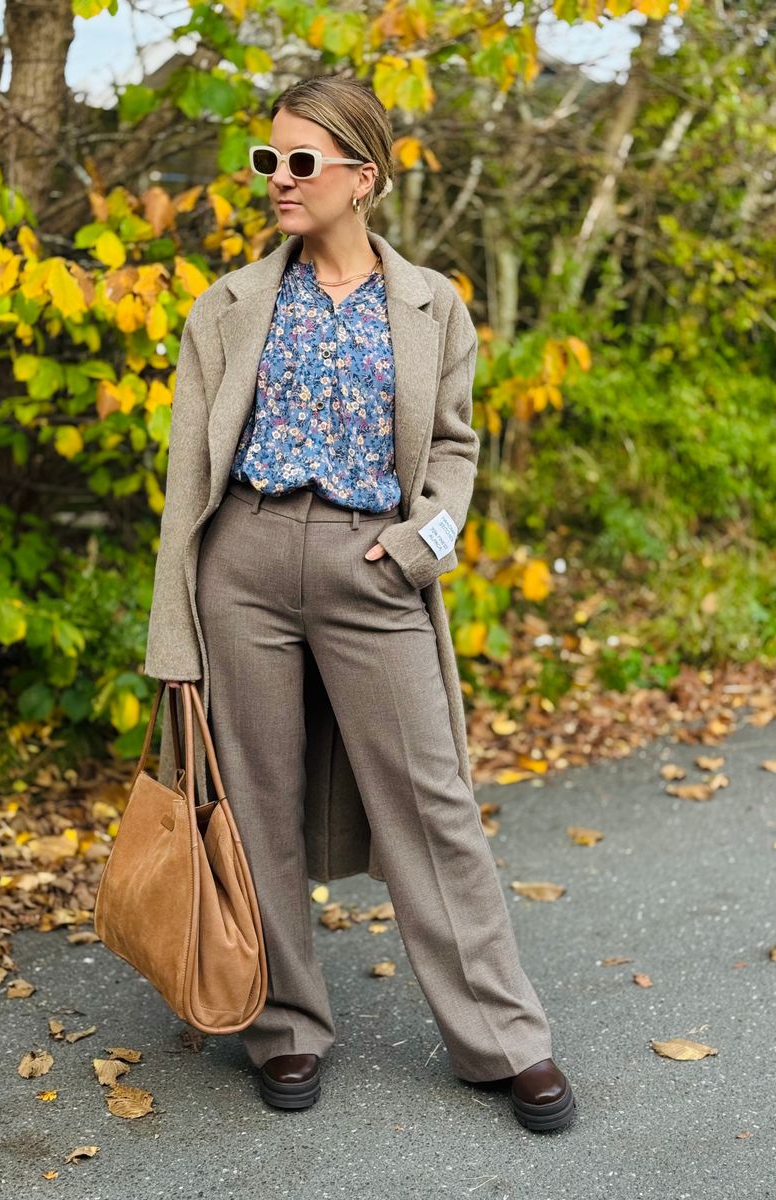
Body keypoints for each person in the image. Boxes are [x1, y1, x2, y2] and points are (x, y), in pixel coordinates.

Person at [145, 75, 576, 1132]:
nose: (278, 182)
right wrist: (175, 637)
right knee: (257, 807)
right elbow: (184, 483)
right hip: (239, 561)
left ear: (363, 177)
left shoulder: (431, 305)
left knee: (432, 805)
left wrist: (416, 548)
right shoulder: (230, 304)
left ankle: (503, 1041)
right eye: (268, 162)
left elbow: (458, 458)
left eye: (302, 163)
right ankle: (284, 1026)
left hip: (369, 564)